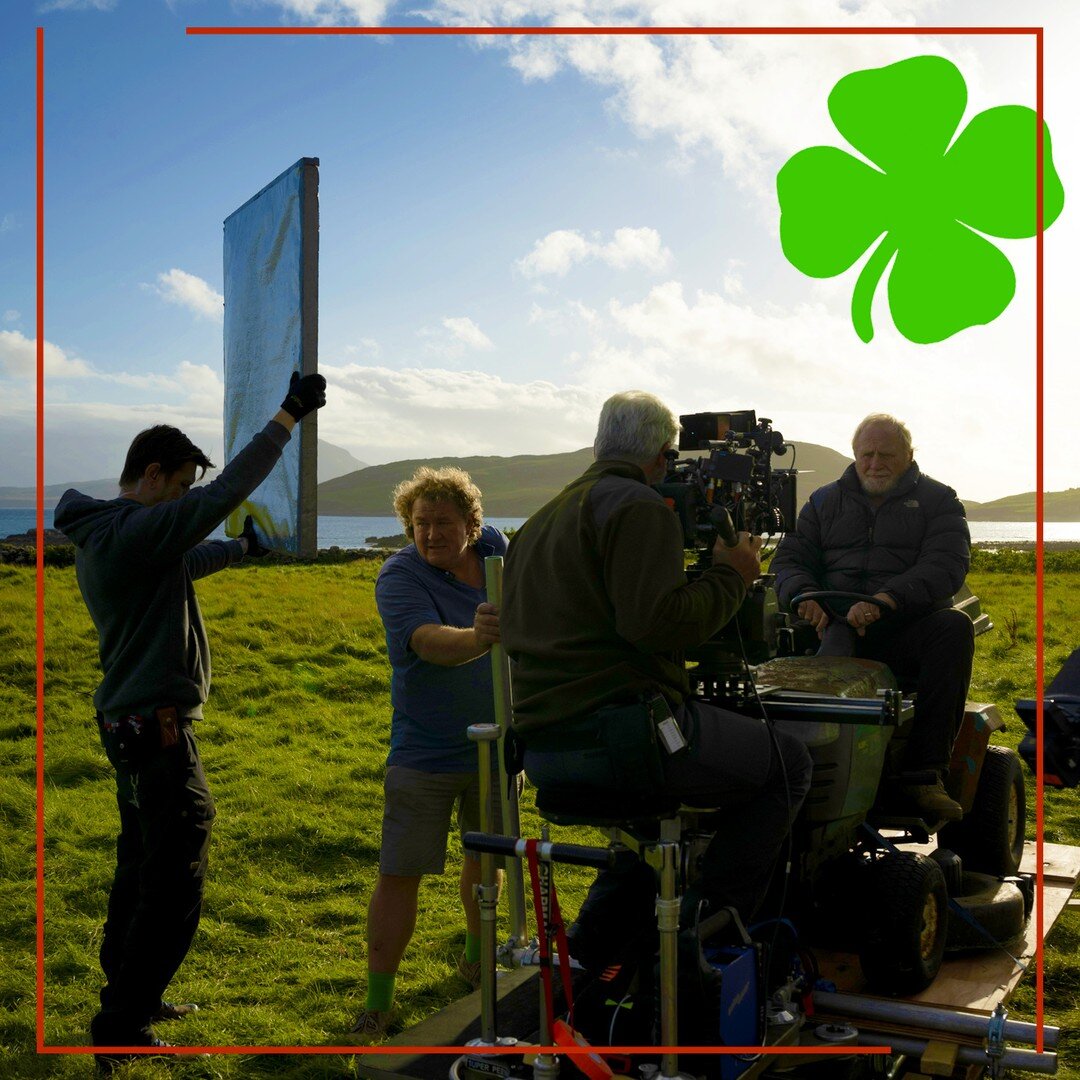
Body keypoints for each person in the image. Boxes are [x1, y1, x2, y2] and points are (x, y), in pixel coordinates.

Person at [54, 372, 327, 1068]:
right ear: (152, 475)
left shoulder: (117, 533)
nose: (183, 499)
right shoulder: (130, 531)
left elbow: (186, 555)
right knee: (173, 877)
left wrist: (243, 551)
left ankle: (132, 998)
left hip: (132, 725)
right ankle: (123, 1025)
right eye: (177, 486)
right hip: (156, 731)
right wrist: (289, 414)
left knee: (139, 866)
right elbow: (222, 496)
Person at [500, 390, 813, 966]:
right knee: (787, 765)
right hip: (625, 740)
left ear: (600, 445)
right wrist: (732, 576)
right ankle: (710, 932)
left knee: (651, 831)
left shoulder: (541, 520)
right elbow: (657, 623)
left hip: (546, 749)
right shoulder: (639, 507)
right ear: (663, 457)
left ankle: (593, 949)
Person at [347, 467, 508, 1045]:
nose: (431, 534)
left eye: (443, 523)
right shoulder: (398, 576)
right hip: (424, 751)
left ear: (473, 523)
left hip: (495, 745)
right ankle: (377, 1002)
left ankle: (474, 959)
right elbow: (426, 642)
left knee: (485, 859)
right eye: (419, 524)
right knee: (400, 872)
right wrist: (478, 638)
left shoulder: (495, 549)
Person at [770, 413, 973, 822]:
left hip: (904, 630)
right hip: (831, 627)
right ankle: (778, 765)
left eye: (886, 455)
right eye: (867, 454)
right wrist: (803, 596)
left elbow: (946, 564)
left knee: (953, 629)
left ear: (909, 456)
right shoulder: (823, 501)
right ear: (854, 454)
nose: (875, 463)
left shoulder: (939, 500)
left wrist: (886, 600)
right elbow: (789, 560)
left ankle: (923, 774)